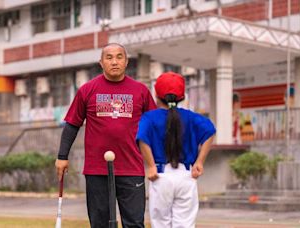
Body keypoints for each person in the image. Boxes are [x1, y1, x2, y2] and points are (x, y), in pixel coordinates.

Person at [55, 43, 156, 228]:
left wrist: (154, 162)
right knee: (100, 224)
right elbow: (71, 125)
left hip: (131, 168)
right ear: (101, 62)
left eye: (119, 57)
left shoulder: (140, 91)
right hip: (97, 170)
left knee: (134, 223)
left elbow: (153, 128)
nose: (114, 62)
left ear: (126, 62)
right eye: (109, 58)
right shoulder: (87, 90)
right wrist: (62, 156)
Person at [136, 71, 216, 228]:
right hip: (186, 176)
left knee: (161, 224)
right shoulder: (191, 117)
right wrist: (199, 162)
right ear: (182, 97)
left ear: (156, 94)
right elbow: (210, 131)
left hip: (160, 176)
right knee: (185, 224)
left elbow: (142, 139)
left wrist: (151, 165)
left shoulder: (149, 118)